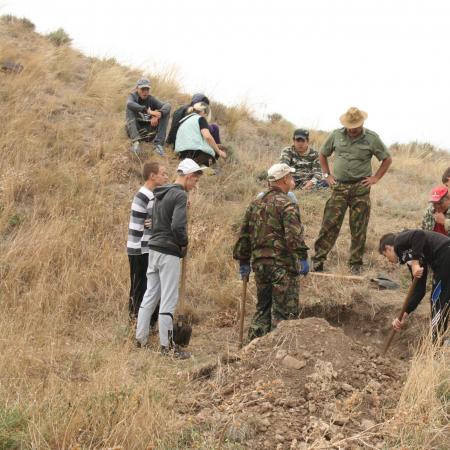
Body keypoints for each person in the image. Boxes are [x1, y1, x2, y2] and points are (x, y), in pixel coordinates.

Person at [136, 158, 205, 359]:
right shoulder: (180, 195)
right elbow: (177, 226)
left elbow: (158, 221)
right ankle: (167, 347)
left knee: (150, 294)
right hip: (168, 251)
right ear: (189, 176)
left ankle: (140, 339)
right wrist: (183, 244)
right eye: (195, 181)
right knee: (168, 298)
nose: (195, 185)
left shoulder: (161, 193)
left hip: (154, 248)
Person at [233, 163, 309, 341]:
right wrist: (303, 258)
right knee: (284, 313)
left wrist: (244, 262)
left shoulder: (255, 204)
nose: (292, 180)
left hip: (260, 266)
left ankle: (252, 350)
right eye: (290, 177)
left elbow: (244, 235)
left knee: (263, 308)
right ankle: (276, 353)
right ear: (284, 179)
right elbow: (294, 237)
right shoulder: (287, 204)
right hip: (282, 267)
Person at [312, 107, 392, 274]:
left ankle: (355, 263)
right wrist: (327, 175)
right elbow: (322, 154)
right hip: (339, 187)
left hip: (360, 189)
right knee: (329, 224)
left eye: (356, 126)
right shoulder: (336, 135)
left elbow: (386, 159)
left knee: (359, 227)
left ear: (362, 123)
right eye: (350, 126)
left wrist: (375, 178)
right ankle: (318, 259)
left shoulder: (372, 138)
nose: (353, 129)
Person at [379, 230, 450, 343]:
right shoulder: (412, 255)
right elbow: (419, 291)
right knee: (443, 298)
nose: (388, 260)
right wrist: (403, 315)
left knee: (437, 300)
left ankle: (436, 344)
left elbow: (418, 234)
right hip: (444, 258)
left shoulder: (399, 242)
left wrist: (415, 263)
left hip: (445, 254)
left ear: (388, 248)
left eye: (385, 255)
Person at [127, 161, 168, 321]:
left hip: (140, 247)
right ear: (152, 176)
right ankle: (135, 320)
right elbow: (156, 221)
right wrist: (157, 221)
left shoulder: (150, 195)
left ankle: (139, 321)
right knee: (140, 286)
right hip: (140, 248)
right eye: (162, 173)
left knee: (142, 286)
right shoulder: (146, 195)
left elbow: (154, 220)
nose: (165, 177)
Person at [125, 78, 171, 156]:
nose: (145, 92)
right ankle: (136, 143)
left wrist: (159, 114)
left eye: (147, 89)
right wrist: (147, 111)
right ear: (137, 88)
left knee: (165, 112)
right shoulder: (132, 96)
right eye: (142, 89)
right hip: (135, 130)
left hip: (149, 132)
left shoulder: (151, 99)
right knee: (129, 108)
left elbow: (167, 105)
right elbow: (129, 104)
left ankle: (158, 145)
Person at [174, 102, 226, 166]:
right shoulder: (200, 119)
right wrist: (219, 151)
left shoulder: (183, 120)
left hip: (180, 153)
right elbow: (208, 137)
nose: (206, 116)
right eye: (207, 114)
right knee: (212, 159)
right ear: (203, 112)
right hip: (194, 153)